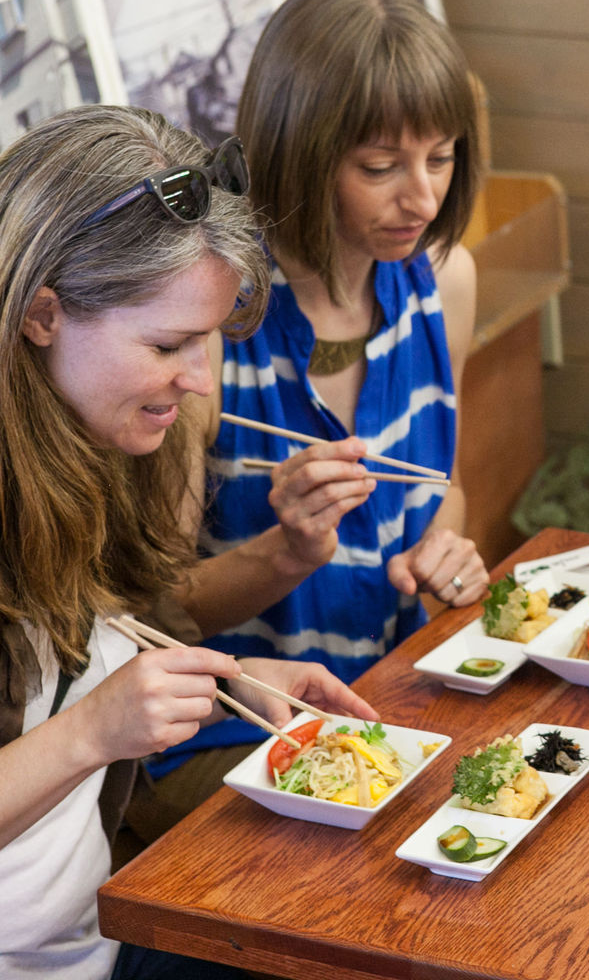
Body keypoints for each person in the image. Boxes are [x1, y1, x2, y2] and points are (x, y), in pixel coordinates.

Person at [0, 105, 377, 978]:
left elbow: (110, 635)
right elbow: (82, 718)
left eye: (207, 338)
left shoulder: (95, 437)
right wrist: (97, 730)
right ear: (41, 314)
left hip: (99, 933)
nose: (200, 379)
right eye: (168, 342)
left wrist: (219, 683)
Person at [143, 0, 489, 805]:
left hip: (397, 693)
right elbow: (157, 615)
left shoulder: (444, 281)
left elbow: (443, 488)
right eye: (380, 166)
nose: (424, 196)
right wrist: (287, 551)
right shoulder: (213, 324)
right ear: (302, 153)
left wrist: (444, 547)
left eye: (441, 157)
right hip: (235, 725)